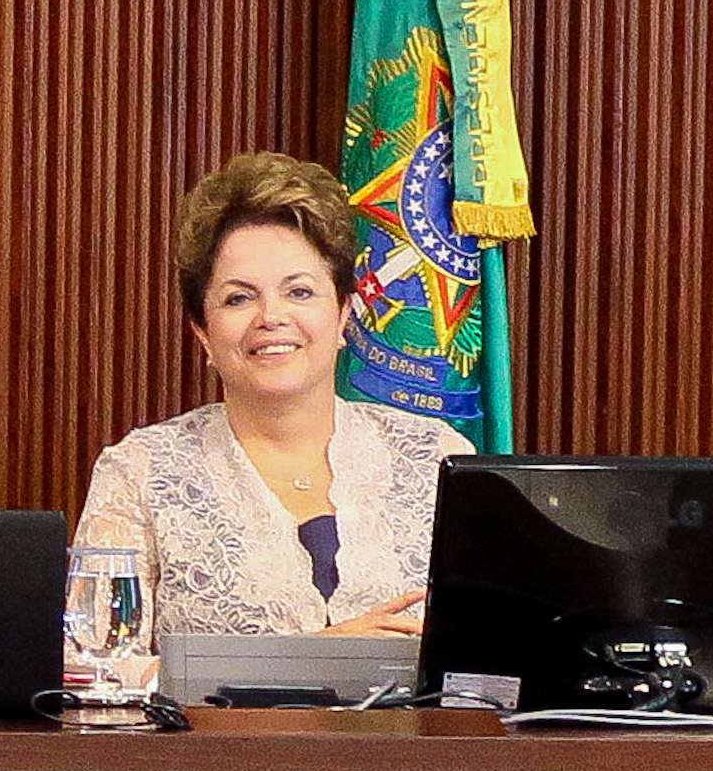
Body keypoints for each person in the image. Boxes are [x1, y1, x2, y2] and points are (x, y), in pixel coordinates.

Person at [75, 152, 466, 636]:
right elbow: (94, 669)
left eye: (299, 292)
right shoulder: (139, 472)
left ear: (344, 314)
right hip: (206, 719)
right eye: (239, 298)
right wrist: (315, 659)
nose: (270, 317)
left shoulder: (439, 459)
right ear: (203, 332)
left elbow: (498, 659)